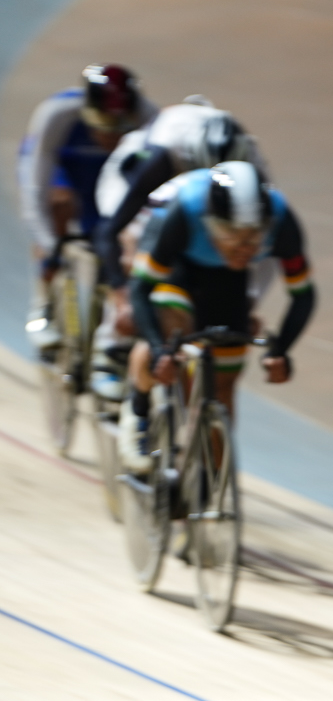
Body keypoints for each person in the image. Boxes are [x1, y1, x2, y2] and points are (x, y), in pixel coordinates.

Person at [119, 161, 312, 470]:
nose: (242, 246)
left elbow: (304, 295)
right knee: (169, 333)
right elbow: (141, 290)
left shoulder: (281, 221)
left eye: (253, 236)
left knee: (222, 385)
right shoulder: (183, 213)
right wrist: (158, 350)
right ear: (210, 221)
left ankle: (207, 484)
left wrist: (282, 349)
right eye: (230, 233)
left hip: (226, 278)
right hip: (178, 265)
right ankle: (139, 410)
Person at [89, 100, 263, 400]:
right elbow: (111, 232)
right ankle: (109, 349)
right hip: (139, 166)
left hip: (208, 180)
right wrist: (122, 298)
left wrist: (249, 302)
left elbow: (264, 247)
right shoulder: (162, 160)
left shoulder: (252, 173)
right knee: (134, 249)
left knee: (237, 237)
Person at [17, 64, 155, 354]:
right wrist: (50, 244)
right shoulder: (57, 114)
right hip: (65, 171)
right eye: (100, 125)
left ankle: (112, 335)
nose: (108, 137)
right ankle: (44, 304)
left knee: (122, 239)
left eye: (118, 128)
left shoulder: (149, 118)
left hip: (111, 176)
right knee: (58, 205)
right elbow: (35, 189)